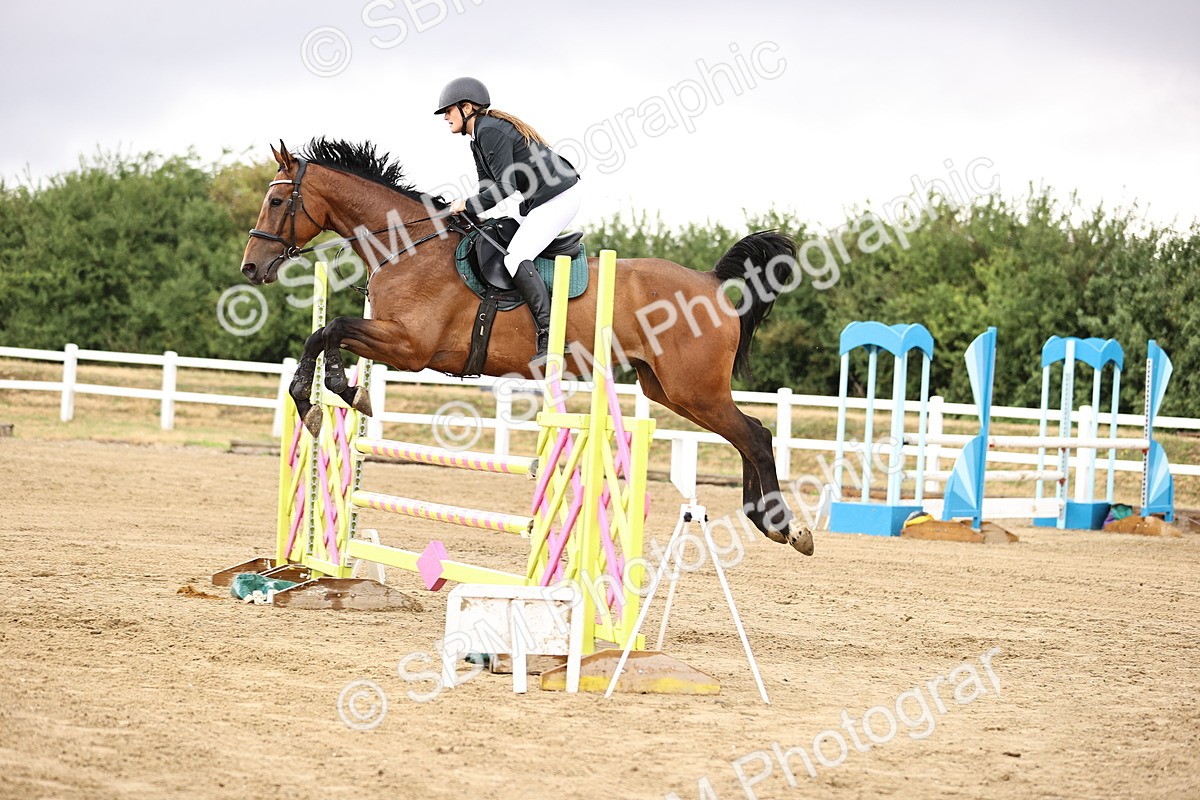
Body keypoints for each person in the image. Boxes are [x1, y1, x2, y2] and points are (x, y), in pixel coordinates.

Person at [436, 77, 581, 360]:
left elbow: (505, 188)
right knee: (495, 230)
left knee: (514, 258)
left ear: (467, 107)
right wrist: (468, 211)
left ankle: (551, 337)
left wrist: (467, 204)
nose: (445, 117)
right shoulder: (477, 139)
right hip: (535, 200)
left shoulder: (490, 130)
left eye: (448, 111)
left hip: (558, 197)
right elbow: (487, 186)